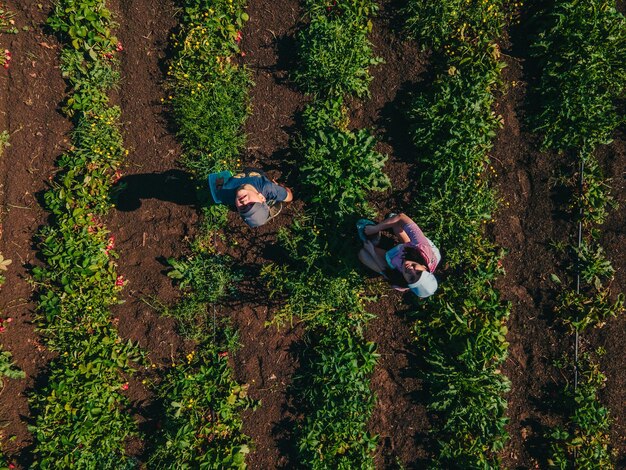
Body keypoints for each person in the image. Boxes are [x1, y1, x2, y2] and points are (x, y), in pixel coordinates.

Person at [357, 213, 441, 298]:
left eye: (411, 278)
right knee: (397, 223)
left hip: (402, 257)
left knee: (363, 254)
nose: (411, 270)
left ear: (407, 283)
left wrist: (372, 253)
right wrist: (375, 229)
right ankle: (392, 231)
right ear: (425, 268)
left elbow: (386, 270)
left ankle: (379, 241)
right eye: (419, 272)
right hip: (412, 249)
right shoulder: (422, 247)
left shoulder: (400, 283)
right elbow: (402, 217)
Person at [208, 168, 293, 227]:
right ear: (261, 197)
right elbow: (289, 197)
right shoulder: (268, 188)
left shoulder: (224, 192)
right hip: (258, 175)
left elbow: (217, 179)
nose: (245, 202)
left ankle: (263, 212)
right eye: (252, 204)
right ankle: (269, 205)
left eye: (243, 208)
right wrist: (280, 187)